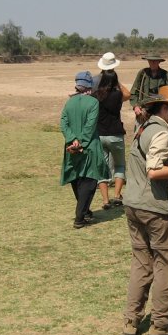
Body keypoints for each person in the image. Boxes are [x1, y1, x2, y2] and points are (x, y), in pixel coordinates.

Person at [121, 85, 168, 335]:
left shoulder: (145, 127)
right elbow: (154, 170)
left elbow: (153, 160)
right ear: (167, 108)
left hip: (133, 205)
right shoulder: (161, 131)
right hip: (156, 208)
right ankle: (160, 324)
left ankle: (131, 321)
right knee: (165, 264)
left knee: (141, 262)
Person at [60, 71, 108, 229]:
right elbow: (90, 125)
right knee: (90, 180)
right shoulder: (93, 103)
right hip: (88, 147)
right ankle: (79, 217)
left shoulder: (69, 102)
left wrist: (72, 140)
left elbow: (64, 123)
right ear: (90, 86)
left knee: (76, 177)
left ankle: (85, 211)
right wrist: (81, 142)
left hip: (71, 147)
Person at [94, 69, 127, 208]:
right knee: (119, 166)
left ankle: (105, 200)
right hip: (115, 134)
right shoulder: (118, 94)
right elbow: (129, 94)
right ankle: (117, 195)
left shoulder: (97, 95)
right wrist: (117, 81)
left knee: (102, 168)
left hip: (100, 135)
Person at [129, 54, 168, 129]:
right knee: (140, 134)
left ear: (159, 62)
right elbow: (134, 92)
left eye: (155, 61)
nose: (152, 63)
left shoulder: (166, 75)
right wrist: (136, 107)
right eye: (150, 61)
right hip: (143, 110)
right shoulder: (142, 73)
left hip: (160, 111)